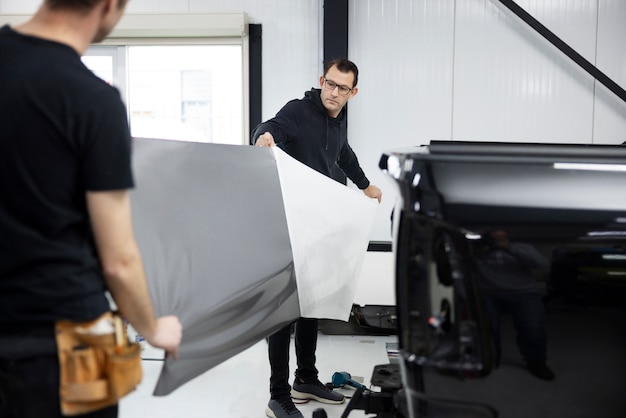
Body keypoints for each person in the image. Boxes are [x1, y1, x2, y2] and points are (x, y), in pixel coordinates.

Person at [0, 1, 183, 417]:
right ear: (108, 5)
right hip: (70, 341)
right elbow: (118, 259)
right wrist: (154, 328)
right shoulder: (93, 100)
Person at [252, 58, 382, 418]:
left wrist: (366, 185)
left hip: (318, 229)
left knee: (311, 305)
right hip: (286, 229)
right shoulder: (299, 111)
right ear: (321, 80)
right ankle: (278, 395)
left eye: (343, 88)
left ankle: (305, 378)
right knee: (282, 313)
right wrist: (264, 136)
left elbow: (344, 155)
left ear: (353, 92)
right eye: (330, 84)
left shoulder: (337, 123)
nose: (334, 92)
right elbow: (271, 126)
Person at [474, 228, 555, 381]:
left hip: (523, 292)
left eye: (501, 235)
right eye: (493, 235)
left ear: (507, 236)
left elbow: (542, 264)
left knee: (532, 327)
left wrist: (509, 248)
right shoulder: (478, 250)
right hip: (488, 292)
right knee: (487, 328)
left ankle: (536, 362)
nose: (497, 238)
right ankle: (488, 358)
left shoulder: (522, 247)